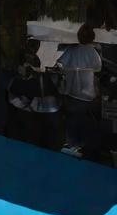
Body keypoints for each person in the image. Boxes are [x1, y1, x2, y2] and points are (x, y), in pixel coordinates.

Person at [56, 24, 102, 154]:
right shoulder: (93, 53)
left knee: (72, 121)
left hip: (72, 92)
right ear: (92, 38)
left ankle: (71, 146)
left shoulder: (72, 50)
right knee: (85, 122)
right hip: (88, 94)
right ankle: (81, 147)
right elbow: (98, 68)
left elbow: (60, 64)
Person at [6, 51, 62, 149]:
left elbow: (12, 95)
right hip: (49, 126)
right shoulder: (47, 78)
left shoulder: (21, 83)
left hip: (33, 127)